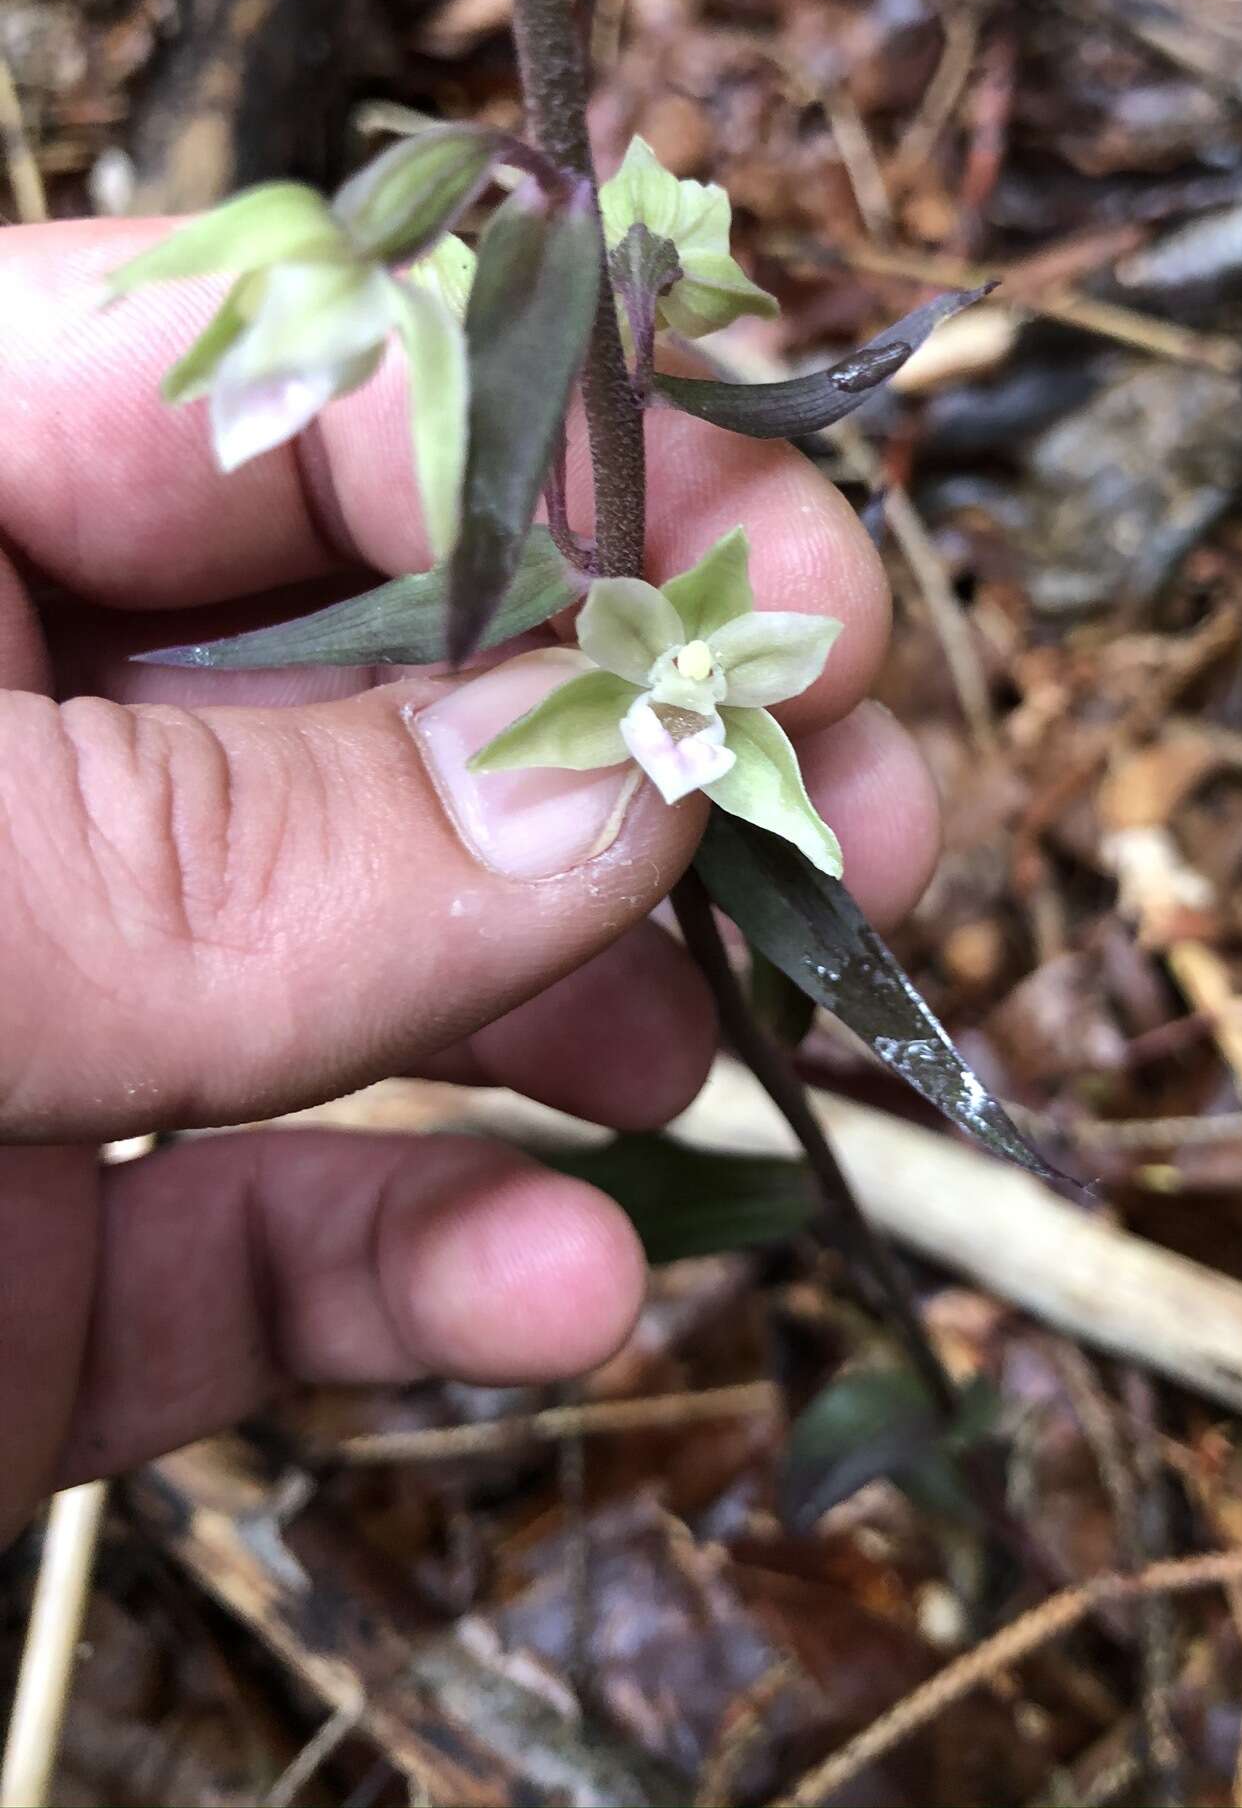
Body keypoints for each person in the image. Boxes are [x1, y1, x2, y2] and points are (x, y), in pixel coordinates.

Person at [0, 219, 941, 1542]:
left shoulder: (706, 669)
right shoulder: (607, 642)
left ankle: (921, 1377)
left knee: (780, 893)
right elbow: (571, 714)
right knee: (645, 1033)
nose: (681, 690)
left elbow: (777, 785)